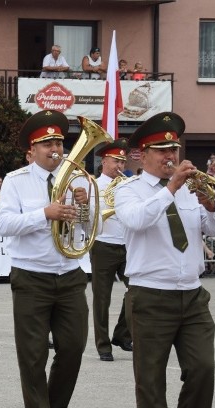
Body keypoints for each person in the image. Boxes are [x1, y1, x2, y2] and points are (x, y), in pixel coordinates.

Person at [114, 112, 215, 408]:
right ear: (140, 155)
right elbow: (136, 221)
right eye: (162, 149)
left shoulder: (188, 190)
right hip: (151, 296)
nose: (170, 155)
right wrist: (170, 189)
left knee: (202, 370)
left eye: (174, 148)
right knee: (150, 380)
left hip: (193, 295)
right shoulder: (127, 190)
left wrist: (211, 205)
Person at [0, 110, 90, 408]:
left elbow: (86, 228)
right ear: (30, 152)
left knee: (74, 347)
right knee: (33, 354)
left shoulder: (78, 180)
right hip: (31, 275)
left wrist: (85, 209)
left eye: (59, 142)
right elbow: (5, 224)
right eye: (47, 143)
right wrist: (44, 214)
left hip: (69, 274)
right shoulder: (16, 180)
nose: (55, 148)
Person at [89, 139, 132, 362]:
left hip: (128, 244)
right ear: (104, 161)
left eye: (123, 161)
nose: (120, 165)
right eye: (116, 160)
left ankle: (122, 333)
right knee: (102, 298)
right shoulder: (93, 185)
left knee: (137, 291)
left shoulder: (128, 184)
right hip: (103, 244)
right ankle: (103, 345)